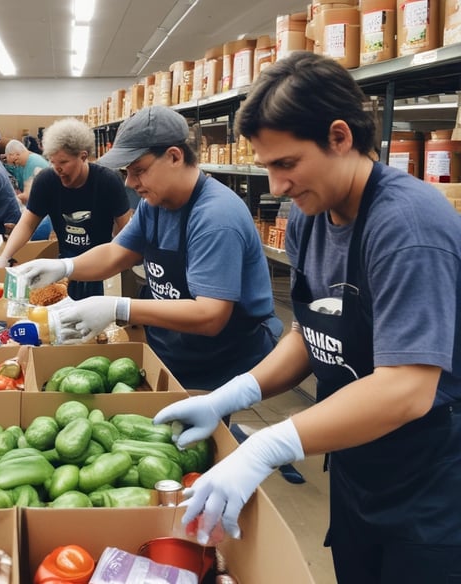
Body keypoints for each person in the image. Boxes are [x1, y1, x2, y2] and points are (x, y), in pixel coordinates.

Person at [153, 52, 461, 583]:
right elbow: (311, 333)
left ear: (339, 137)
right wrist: (231, 395)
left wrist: (272, 444)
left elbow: (407, 388)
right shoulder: (310, 218)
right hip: (357, 461)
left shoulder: (407, 227)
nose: (275, 186)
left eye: (286, 163)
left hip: (431, 481)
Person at [18, 107, 282, 389]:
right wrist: (65, 267)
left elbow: (210, 316)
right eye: (127, 172)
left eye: (139, 170)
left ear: (174, 156)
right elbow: (116, 253)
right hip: (177, 349)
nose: (131, 183)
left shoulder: (215, 217)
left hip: (224, 361)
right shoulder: (155, 204)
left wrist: (120, 307)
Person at [0, 118, 131, 300]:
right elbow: (27, 223)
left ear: (83, 156)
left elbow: (126, 228)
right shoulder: (46, 180)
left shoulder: (107, 181)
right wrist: (5, 255)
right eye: (52, 162)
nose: (57, 169)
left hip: (101, 266)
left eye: (64, 162)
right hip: (65, 264)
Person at [4, 138, 52, 241]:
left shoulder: (33, 164)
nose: (16, 166)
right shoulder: (28, 162)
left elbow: (27, 196)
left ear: (15, 155)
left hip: (45, 216)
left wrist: (12, 199)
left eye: (15, 162)